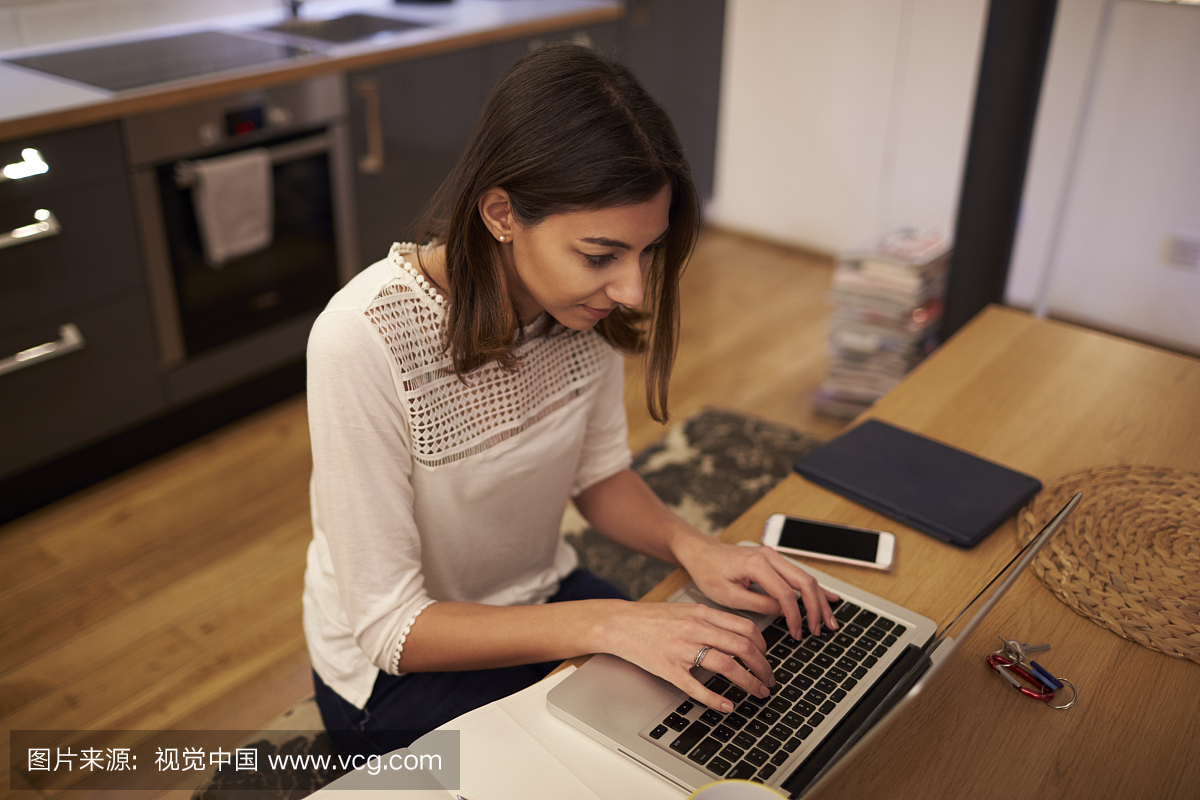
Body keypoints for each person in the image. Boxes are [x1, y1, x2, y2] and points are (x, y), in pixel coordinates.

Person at [302, 44, 838, 758]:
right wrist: (608, 624)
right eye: (600, 255)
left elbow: (598, 479)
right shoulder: (360, 340)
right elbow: (392, 629)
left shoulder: (580, 315)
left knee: (711, 719)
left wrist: (696, 548)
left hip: (541, 597)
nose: (633, 291)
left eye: (645, 253)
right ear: (500, 213)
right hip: (393, 671)